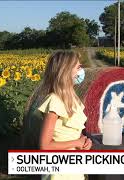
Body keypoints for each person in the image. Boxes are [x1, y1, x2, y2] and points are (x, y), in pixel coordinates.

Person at [37, 50, 92, 180]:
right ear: (66, 71)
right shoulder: (54, 101)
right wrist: (76, 142)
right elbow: (45, 146)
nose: (81, 71)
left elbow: (72, 131)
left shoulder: (72, 98)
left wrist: (84, 140)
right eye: (78, 67)